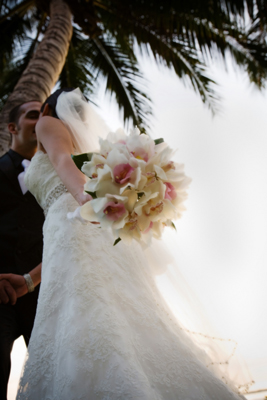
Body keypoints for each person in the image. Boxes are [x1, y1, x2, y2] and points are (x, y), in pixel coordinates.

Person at [15, 88, 248, 399]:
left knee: (88, 312)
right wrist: (31, 279)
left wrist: (87, 198)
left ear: (47, 109)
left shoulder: (47, 124)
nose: (35, 122)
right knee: (115, 310)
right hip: (83, 229)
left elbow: (60, 160)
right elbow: (68, 238)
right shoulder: (90, 154)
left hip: (77, 218)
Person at [0, 101, 44, 400]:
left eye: (45, 114)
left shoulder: (63, 172)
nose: (41, 120)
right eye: (33, 115)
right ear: (12, 128)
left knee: (54, 375)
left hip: (45, 294)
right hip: (0, 291)